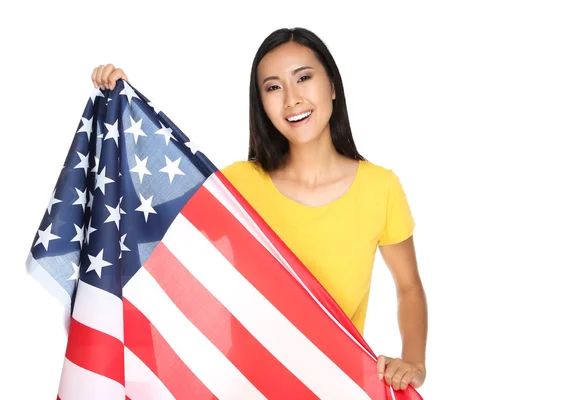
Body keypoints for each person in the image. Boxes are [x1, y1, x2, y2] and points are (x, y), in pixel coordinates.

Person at [90, 27, 428, 392]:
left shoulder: (381, 188)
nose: (292, 99)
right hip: (243, 387)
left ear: (332, 86)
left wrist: (414, 361)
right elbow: (147, 223)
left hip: (335, 387)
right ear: (262, 104)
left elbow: (409, 287)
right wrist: (123, 107)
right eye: (273, 87)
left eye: (303, 78)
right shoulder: (238, 186)